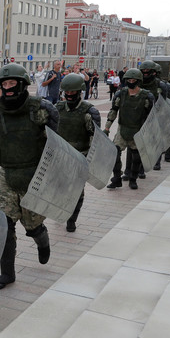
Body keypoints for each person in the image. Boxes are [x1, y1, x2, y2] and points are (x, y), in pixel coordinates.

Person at [0, 64, 58, 290]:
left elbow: (56, 148)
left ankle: (42, 242)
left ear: (22, 84)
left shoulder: (42, 110)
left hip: (34, 177)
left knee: (33, 226)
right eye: (4, 84)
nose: (7, 88)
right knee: (4, 227)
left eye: (11, 83)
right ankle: (7, 273)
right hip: (7, 176)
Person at [54, 74, 100, 232]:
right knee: (60, 189)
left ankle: (72, 219)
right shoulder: (57, 109)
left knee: (77, 192)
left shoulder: (88, 112)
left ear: (79, 92)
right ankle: (61, 211)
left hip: (80, 156)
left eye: (73, 92)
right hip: (60, 156)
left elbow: (96, 139)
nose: (69, 95)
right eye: (67, 92)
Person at [103, 69, 155, 190]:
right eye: (129, 80)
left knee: (136, 158)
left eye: (133, 80)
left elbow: (151, 117)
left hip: (137, 130)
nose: (131, 82)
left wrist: (149, 133)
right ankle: (116, 178)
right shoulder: (121, 94)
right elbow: (113, 111)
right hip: (122, 130)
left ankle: (133, 179)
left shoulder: (146, 96)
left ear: (138, 81)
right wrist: (107, 128)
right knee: (114, 153)